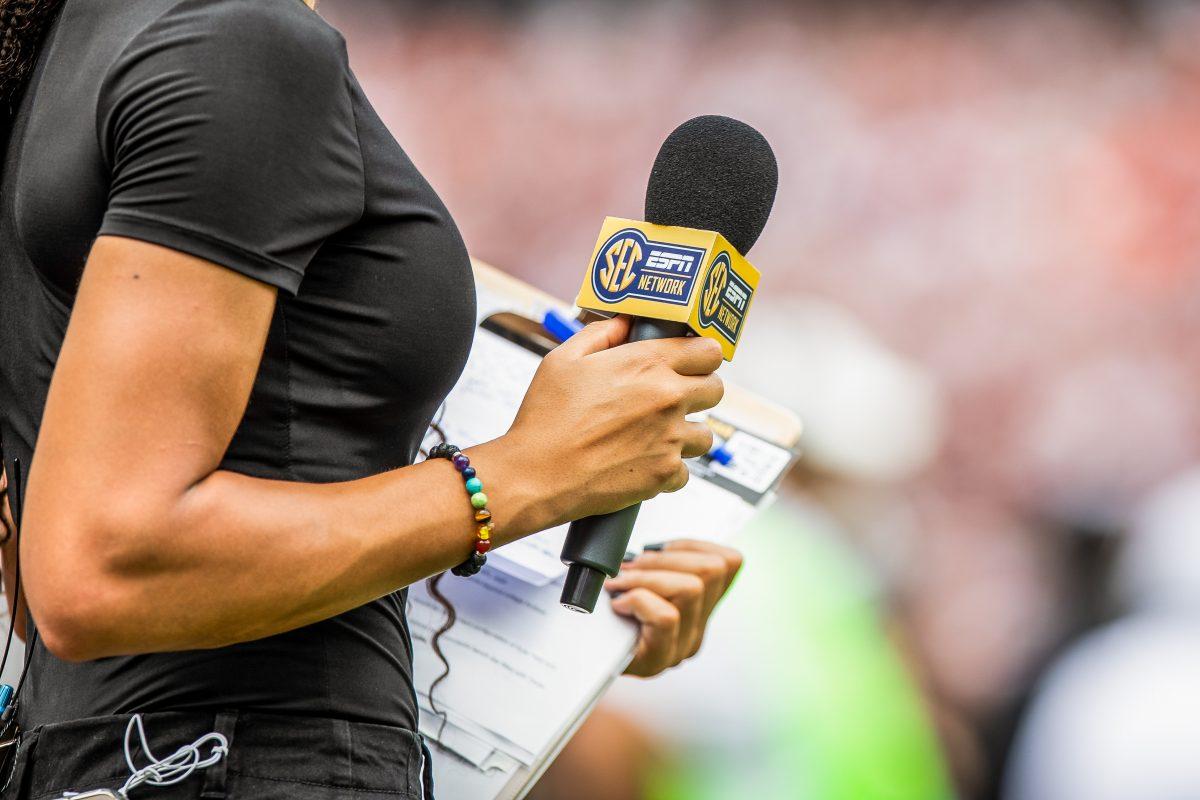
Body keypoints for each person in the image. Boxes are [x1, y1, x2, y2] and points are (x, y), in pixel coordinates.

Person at [0, 0, 741, 797]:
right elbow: (103, 571)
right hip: (244, 763)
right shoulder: (241, 39)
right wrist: (526, 475)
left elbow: (39, 557)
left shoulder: (73, 54)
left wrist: (561, 641)